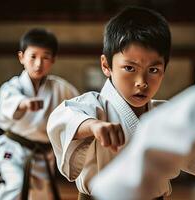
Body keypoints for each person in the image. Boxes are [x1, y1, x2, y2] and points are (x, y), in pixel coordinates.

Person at [47, 6, 171, 200]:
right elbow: (64, 117)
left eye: (153, 70)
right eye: (130, 68)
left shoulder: (165, 113)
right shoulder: (94, 106)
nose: (142, 82)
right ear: (106, 65)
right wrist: (93, 126)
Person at [0, 28, 79, 200]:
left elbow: (79, 107)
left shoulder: (61, 88)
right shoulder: (13, 87)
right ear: (21, 57)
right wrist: (23, 104)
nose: (38, 63)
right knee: (16, 185)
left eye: (45, 57)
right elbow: (6, 106)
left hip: (43, 153)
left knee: (40, 195)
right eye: (33, 56)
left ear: (53, 60)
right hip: (14, 149)